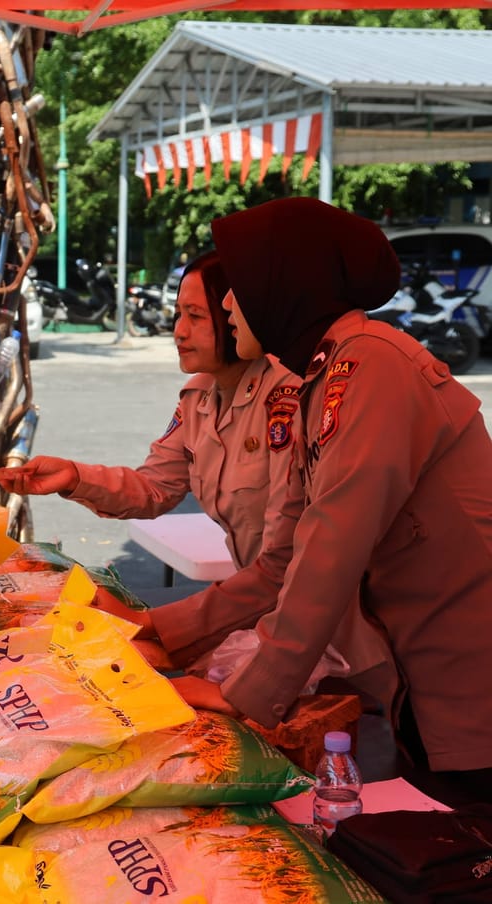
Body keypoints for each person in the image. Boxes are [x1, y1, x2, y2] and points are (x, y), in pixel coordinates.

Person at [187, 196, 492, 802]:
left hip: (469, 684)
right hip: (423, 685)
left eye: (239, 283)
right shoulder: (321, 378)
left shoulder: (370, 366)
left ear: (285, 283)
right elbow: (283, 558)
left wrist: (245, 693)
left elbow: (331, 548)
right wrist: (155, 627)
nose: (226, 303)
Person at [0, 251, 395, 701]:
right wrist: (72, 477)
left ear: (239, 314)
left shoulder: (289, 398)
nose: (179, 331)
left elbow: (281, 565)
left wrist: (155, 625)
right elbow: (155, 488)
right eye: (178, 314)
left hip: (333, 633)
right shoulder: (200, 396)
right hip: (260, 613)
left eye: (197, 316)